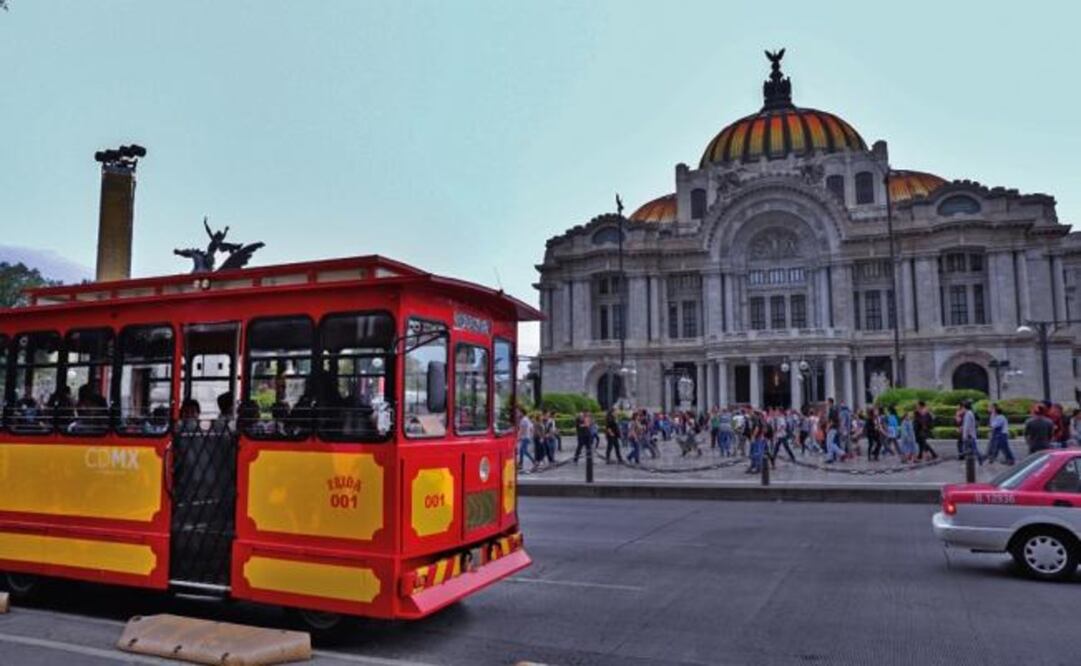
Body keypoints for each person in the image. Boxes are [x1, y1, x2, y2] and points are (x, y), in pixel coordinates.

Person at [960, 400, 983, 465]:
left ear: (965, 407)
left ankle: (971, 463)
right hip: (971, 435)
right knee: (972, 450)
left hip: (969, 436)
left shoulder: (968, 414)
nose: (962, 409)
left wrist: (965, 436)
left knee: (969, 450)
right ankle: (979, 459)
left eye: (962, 407)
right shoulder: (970, 413)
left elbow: (967, 426)